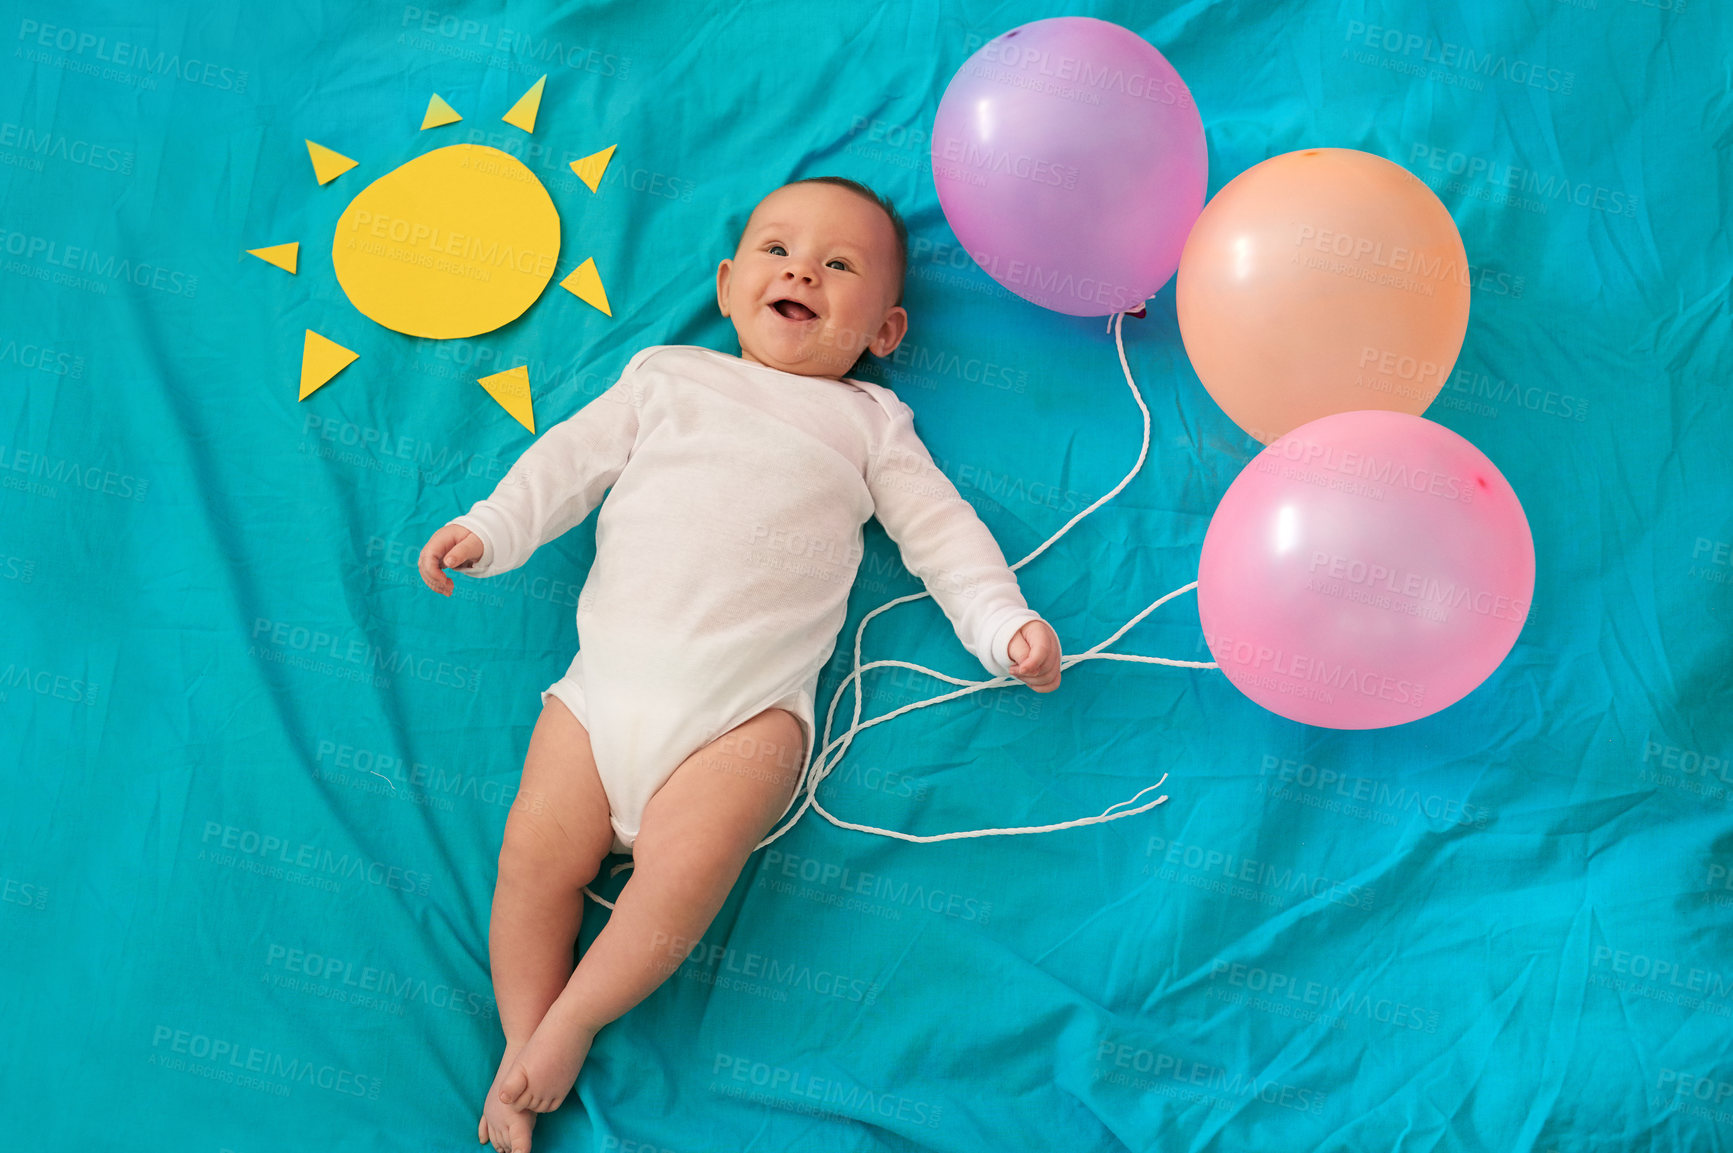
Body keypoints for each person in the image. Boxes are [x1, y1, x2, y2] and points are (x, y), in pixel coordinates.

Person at [417, 176, 1062, 1153]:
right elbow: (565, 463)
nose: (801, 267)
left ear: (883, 332)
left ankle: (574, 1018)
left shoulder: (870, 425)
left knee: (683, 874)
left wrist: (1000, 622)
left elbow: (943, 535)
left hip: (741, 719)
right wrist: (490, 526)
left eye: (837, 266)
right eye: (776, 250)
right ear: (725, 287)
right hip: (602, 696)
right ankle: (521, 1043)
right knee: (531, 861)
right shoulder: (664, 377)